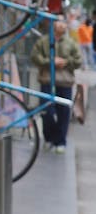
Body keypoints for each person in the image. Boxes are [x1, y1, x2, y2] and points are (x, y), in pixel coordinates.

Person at [31, 16, 82, 153]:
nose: (61, 24)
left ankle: (60, 141)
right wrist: (50, 61)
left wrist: (65, 62)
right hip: (47, 80)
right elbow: (35, 57)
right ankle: (49, 138)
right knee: (46, 111)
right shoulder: (43, 41)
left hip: (65, 81)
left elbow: (78, 61)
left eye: (63, 21)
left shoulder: (71, 43)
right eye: (58, 21)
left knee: (64, 112)